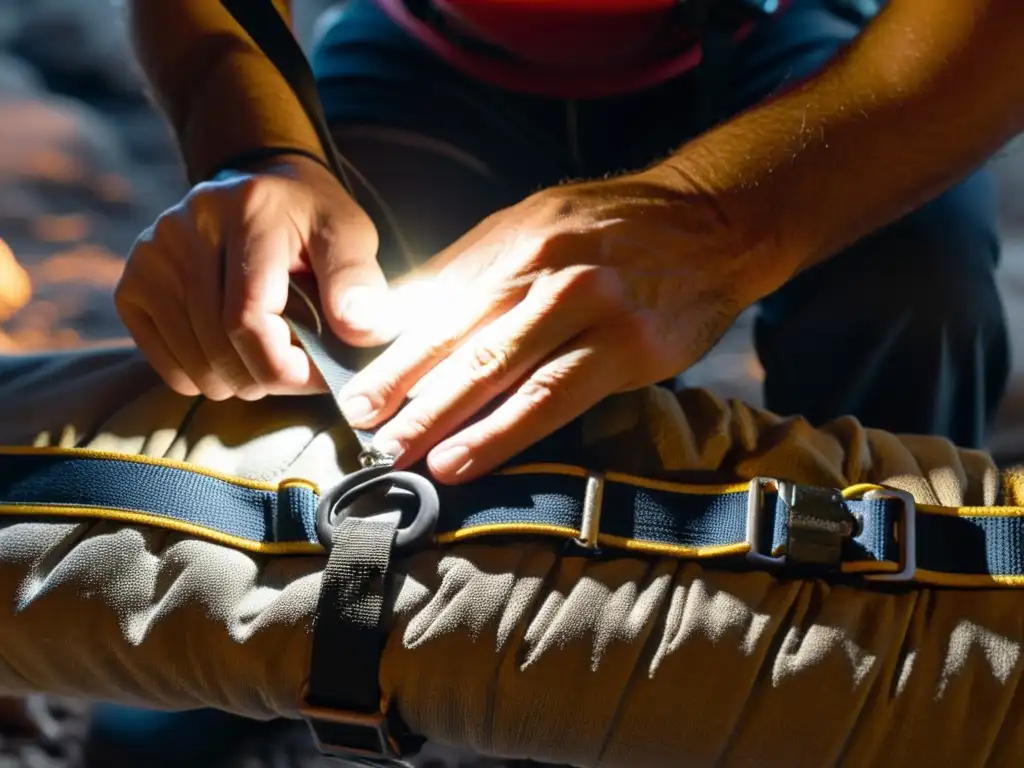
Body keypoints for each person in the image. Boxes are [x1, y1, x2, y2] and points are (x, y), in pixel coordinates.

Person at [116, 0, 1023, 490]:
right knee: (308, 315)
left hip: (771, 35)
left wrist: (714, 221)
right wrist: (257, 154)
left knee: (917, 288)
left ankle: (892, 604)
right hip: (429, 51)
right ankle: (273, 617)